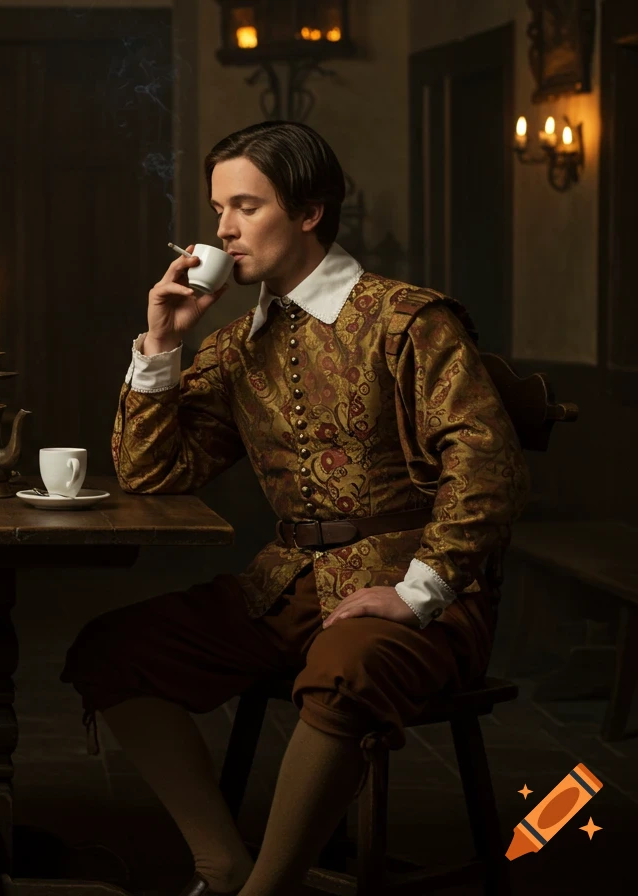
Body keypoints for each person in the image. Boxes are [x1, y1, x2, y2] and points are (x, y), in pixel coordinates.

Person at [61, 121, 528, 896]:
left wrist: (419, 591)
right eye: (219, 209)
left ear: (309, 212)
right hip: (286, 589)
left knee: (345, 669)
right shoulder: (235, 346)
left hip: (419, 593)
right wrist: (162, 344)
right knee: (114, 650)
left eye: (246, 207)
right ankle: (222, 863)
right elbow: (153, 472)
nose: (222, 229)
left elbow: (487, 467)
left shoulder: (408, 320)